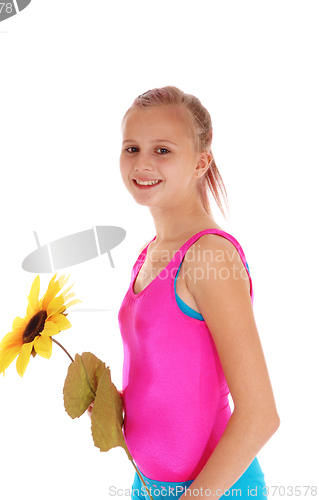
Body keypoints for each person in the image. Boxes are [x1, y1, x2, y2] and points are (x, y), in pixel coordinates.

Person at [89, 86, 280, 499]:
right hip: (148, 487)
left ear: (201, 161)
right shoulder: (149, 253)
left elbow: (261, 415)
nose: (142, 163)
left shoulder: (209, 255)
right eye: (132, 148)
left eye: (162, 150)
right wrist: (117, 405)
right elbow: (171, 378)